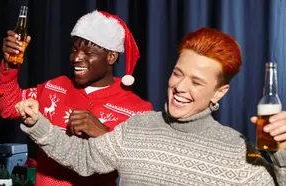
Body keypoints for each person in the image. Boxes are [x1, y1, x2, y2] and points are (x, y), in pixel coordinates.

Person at [16, 27, 286, 185]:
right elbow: (84, 157)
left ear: (219, 93)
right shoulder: (138, 125)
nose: (180, 87)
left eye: (196, 82)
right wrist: (38, 124)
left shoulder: (237, 150)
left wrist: (283, 156)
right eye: (178, 73)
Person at [0, 10, 151, 185]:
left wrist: (103, 133)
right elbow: (8, 105)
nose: (76, 58)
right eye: (74, 50)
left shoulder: (136, 109)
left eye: (88, 52)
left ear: (111, 57)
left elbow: (139, 166)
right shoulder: (54, 88)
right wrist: (10, 64)